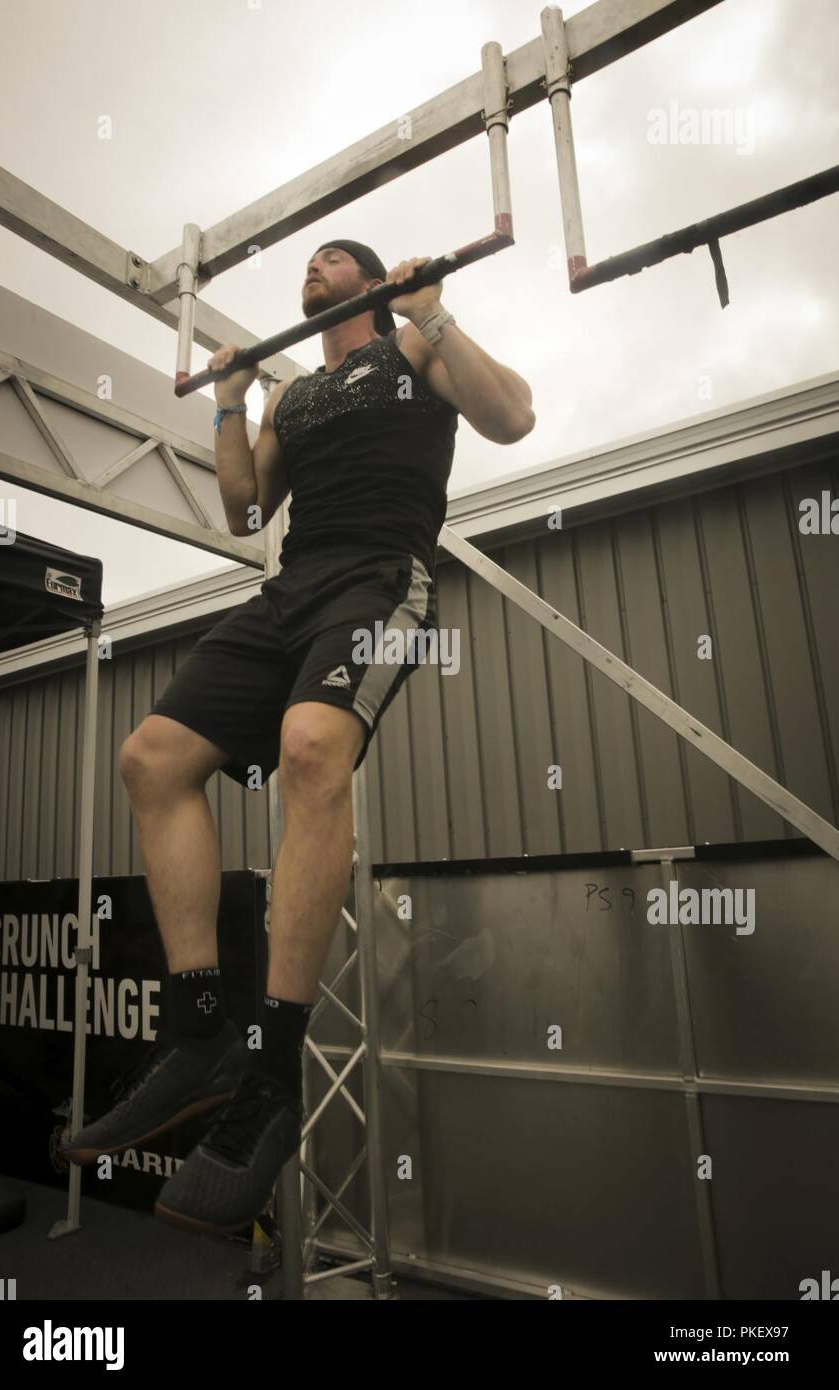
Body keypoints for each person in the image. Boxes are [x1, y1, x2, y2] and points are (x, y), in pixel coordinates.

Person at [62, 238, 535, 1234]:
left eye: (329, 263)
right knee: (150, 758)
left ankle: (272, 1064)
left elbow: (511, 417)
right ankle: (199, 1034)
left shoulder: (412, 348)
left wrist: (434, 307)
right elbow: (243, 508)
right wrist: (232, 398)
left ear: (367, 284)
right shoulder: (293, 397)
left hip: (376, 574)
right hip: (292, 587)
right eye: (304, 265)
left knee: (311, 749)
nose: (309, 274)